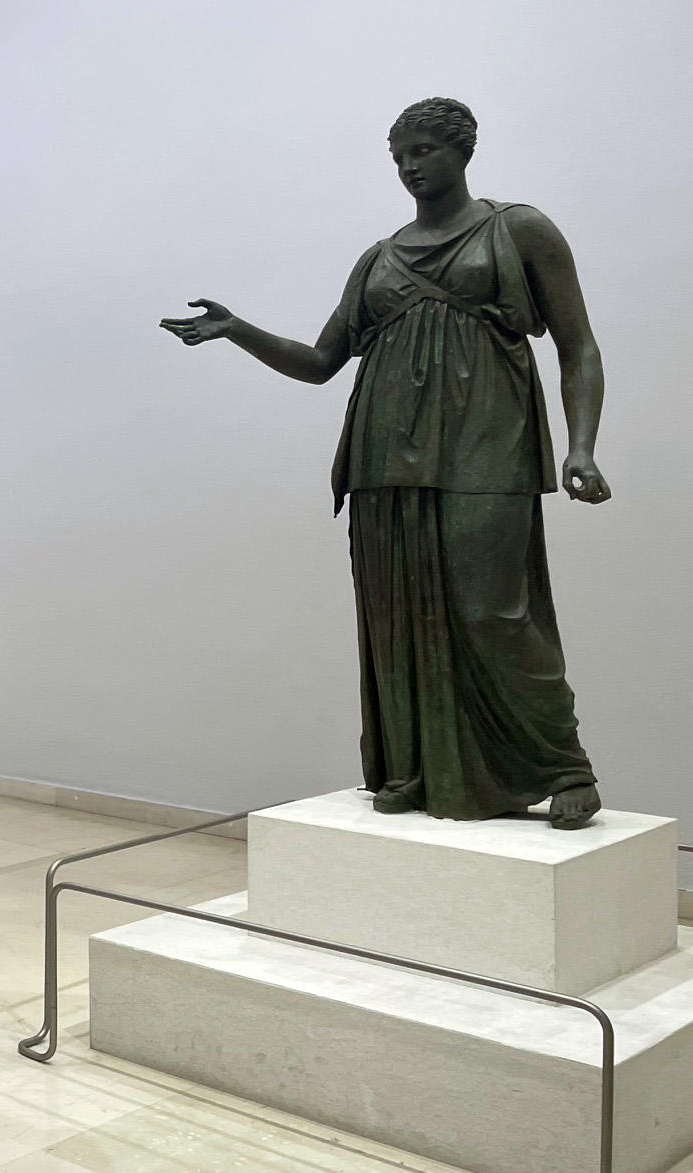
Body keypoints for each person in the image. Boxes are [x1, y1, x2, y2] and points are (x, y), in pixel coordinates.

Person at [160, 97, 609, 829]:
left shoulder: (519, 230)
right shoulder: (379, 258)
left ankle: (563, 765)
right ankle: (417, 768)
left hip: (487, 441)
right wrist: (236, 328)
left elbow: (578, 345)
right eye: (398, 153)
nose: (409, 165)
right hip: (384, 455)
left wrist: (581, 445)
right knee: (399, 614)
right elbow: (319, 361)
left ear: (463, 150)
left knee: (495, 609)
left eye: (424, 149)